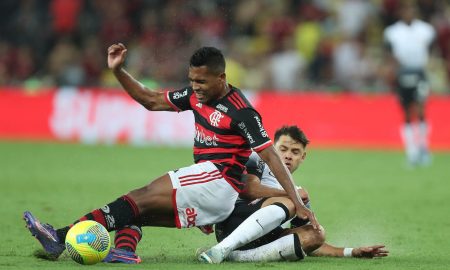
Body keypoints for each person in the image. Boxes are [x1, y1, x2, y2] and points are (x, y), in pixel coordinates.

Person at [23, 44, 319, 263]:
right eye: (192, 79)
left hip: (218, 181)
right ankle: (125, 251)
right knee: (138, 209)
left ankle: (59, 237)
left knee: (141, 196)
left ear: (222, 77)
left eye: (201, 81)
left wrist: (295, 200)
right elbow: (151, 100)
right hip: (206, 184)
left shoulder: (242, 112)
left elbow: (270, 156)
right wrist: (118, 71)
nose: (195, 87)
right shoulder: (195, 96)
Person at [208, 125, 389, 262]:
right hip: (232, 226)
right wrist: (291, 196)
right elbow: (249, 190)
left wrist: (352, 252)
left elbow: (311, 244)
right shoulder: (258, 161)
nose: (288, 156)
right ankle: (226, 247)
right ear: (272, 148)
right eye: (283, 149)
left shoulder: (297, 192)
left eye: (295, 152)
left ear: (302, 157)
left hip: (260, 240)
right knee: (294, 201)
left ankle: (237, 256)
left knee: (317, 234)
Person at [383, 2, 436, 166]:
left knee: (420, 108)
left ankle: (423, 148)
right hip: (402, 73)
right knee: (406, 112)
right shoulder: (392, 32)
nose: (408, 12)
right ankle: (411, 151)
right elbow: (389, 54)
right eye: (405, 10)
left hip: (419, 72)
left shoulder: (426, 29)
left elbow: (432, 50)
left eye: (411, 9)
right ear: (400, 12)